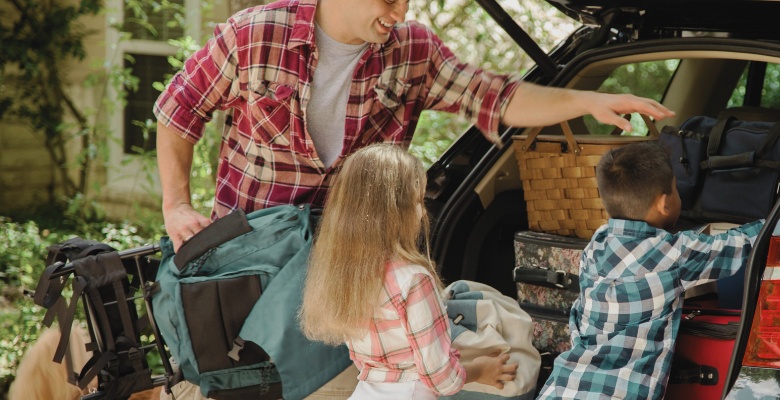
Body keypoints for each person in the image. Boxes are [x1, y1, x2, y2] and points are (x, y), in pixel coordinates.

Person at [154, 0, 676, 253]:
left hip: (350, 258)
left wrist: (582, 98)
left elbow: (494, 95)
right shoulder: (254, 36)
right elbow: (179, 111)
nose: (400, 11)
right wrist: (176, 206)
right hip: (251, 253)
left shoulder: (411, 50)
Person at [536, 141, 764, 400]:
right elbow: (741, 245)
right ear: (664, 203)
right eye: (677, 190)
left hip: (563, 387)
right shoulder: (672, 253)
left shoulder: (596, 245)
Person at [299, 143, 518, 399]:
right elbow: (441, 379)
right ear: (392, 212)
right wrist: (481, 369)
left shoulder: (345, 274)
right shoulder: (414, 280)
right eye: (416, 201)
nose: (423, 211)